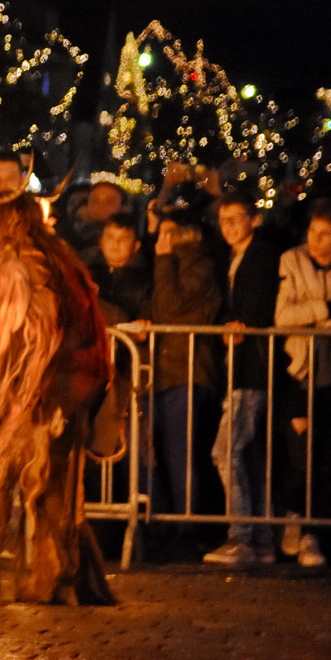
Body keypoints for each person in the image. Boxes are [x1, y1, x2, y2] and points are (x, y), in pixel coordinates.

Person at [0, 190, 114, 604]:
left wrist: (42, 396)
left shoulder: (19, 265)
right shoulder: (48, 255)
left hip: (45, 391)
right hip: (55, 388)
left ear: (1, 223)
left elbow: (45, 331)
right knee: (48, 485)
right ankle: (61, 580)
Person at [272, 198, 331, 570]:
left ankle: (314, 531)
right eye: (312, 231)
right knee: (301, 453)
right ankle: (297, 520)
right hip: (300, 372)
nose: (315, 240)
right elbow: (284, 316)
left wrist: (317, 322)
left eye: (325, 234)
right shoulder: (292, 260)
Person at [204, 194, 284, 566]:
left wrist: (242, 324)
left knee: (226, 450)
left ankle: (241, 536)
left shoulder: (262, 256)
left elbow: (259, 304)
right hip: (240, 366)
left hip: (252, 365)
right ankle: (261, 539)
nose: (229, 226)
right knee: (247, 454)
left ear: (254, 219)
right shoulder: (232, 258)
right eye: (224, 220)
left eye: (237, 218)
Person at [140, 213, 222, 524]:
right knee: (152, 451)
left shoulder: (198, 266)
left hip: (186, 371)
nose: (159, 239)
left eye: (166, 233)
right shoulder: (172, 265)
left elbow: (169, 307)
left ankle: (185, 524)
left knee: (179, 454)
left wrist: (163, 260)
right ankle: (159, 522)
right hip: (162, 371)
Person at [85, 212, 150, 324]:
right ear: (101, 241)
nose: (116, 243)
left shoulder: (145, 279)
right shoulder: (87, 273)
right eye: (110, 237)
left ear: (136, 246)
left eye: (124, 238)